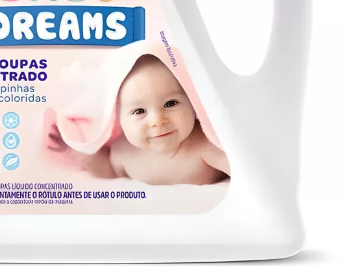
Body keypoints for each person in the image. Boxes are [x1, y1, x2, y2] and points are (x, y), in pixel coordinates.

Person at [48, 54, 229, 185]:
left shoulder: (205, 146)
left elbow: (242, 171)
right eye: (139, 111)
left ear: (192, 104)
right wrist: (81, 155)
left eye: (171, 103)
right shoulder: (123, 152)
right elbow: (110, 174)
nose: (158, 120)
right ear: (117, 118)